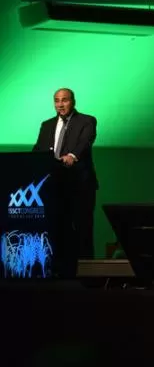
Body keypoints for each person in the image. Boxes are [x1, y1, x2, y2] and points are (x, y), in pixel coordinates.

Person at [32, 88, 98, 260]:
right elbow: (38, 149)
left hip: (80, 185)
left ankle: (86, 276)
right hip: (55, 186)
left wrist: (72, 156)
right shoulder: (46, 125)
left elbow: (85, 142)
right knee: (59, 228)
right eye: (56, 100)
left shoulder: (87, 121)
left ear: (73, 101)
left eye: (64, 100)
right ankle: (61, 270)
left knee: (82, 229)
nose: (60, 104)